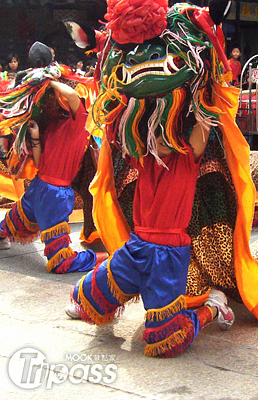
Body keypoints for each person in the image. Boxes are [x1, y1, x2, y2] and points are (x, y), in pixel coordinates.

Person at [67, 118, 235, 358]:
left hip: (168, 258)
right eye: (156, 133)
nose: (160, 138)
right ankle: (124, 292)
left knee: (165, 340)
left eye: (167, 133)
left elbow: (203, 121)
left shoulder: (187, 159)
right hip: (136, 248)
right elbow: (118, 129)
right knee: (87, 298)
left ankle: (214, 308)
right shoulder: (142, 159)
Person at [0, 74, 104, 273]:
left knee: (59, 261)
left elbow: (72, 95)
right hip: (39, 186)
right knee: (10, 223)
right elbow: (40, 163)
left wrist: (45, 80)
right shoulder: (51, 123)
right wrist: (36, 136)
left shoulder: (80, 120)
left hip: (56, 195)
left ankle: (103, 258)